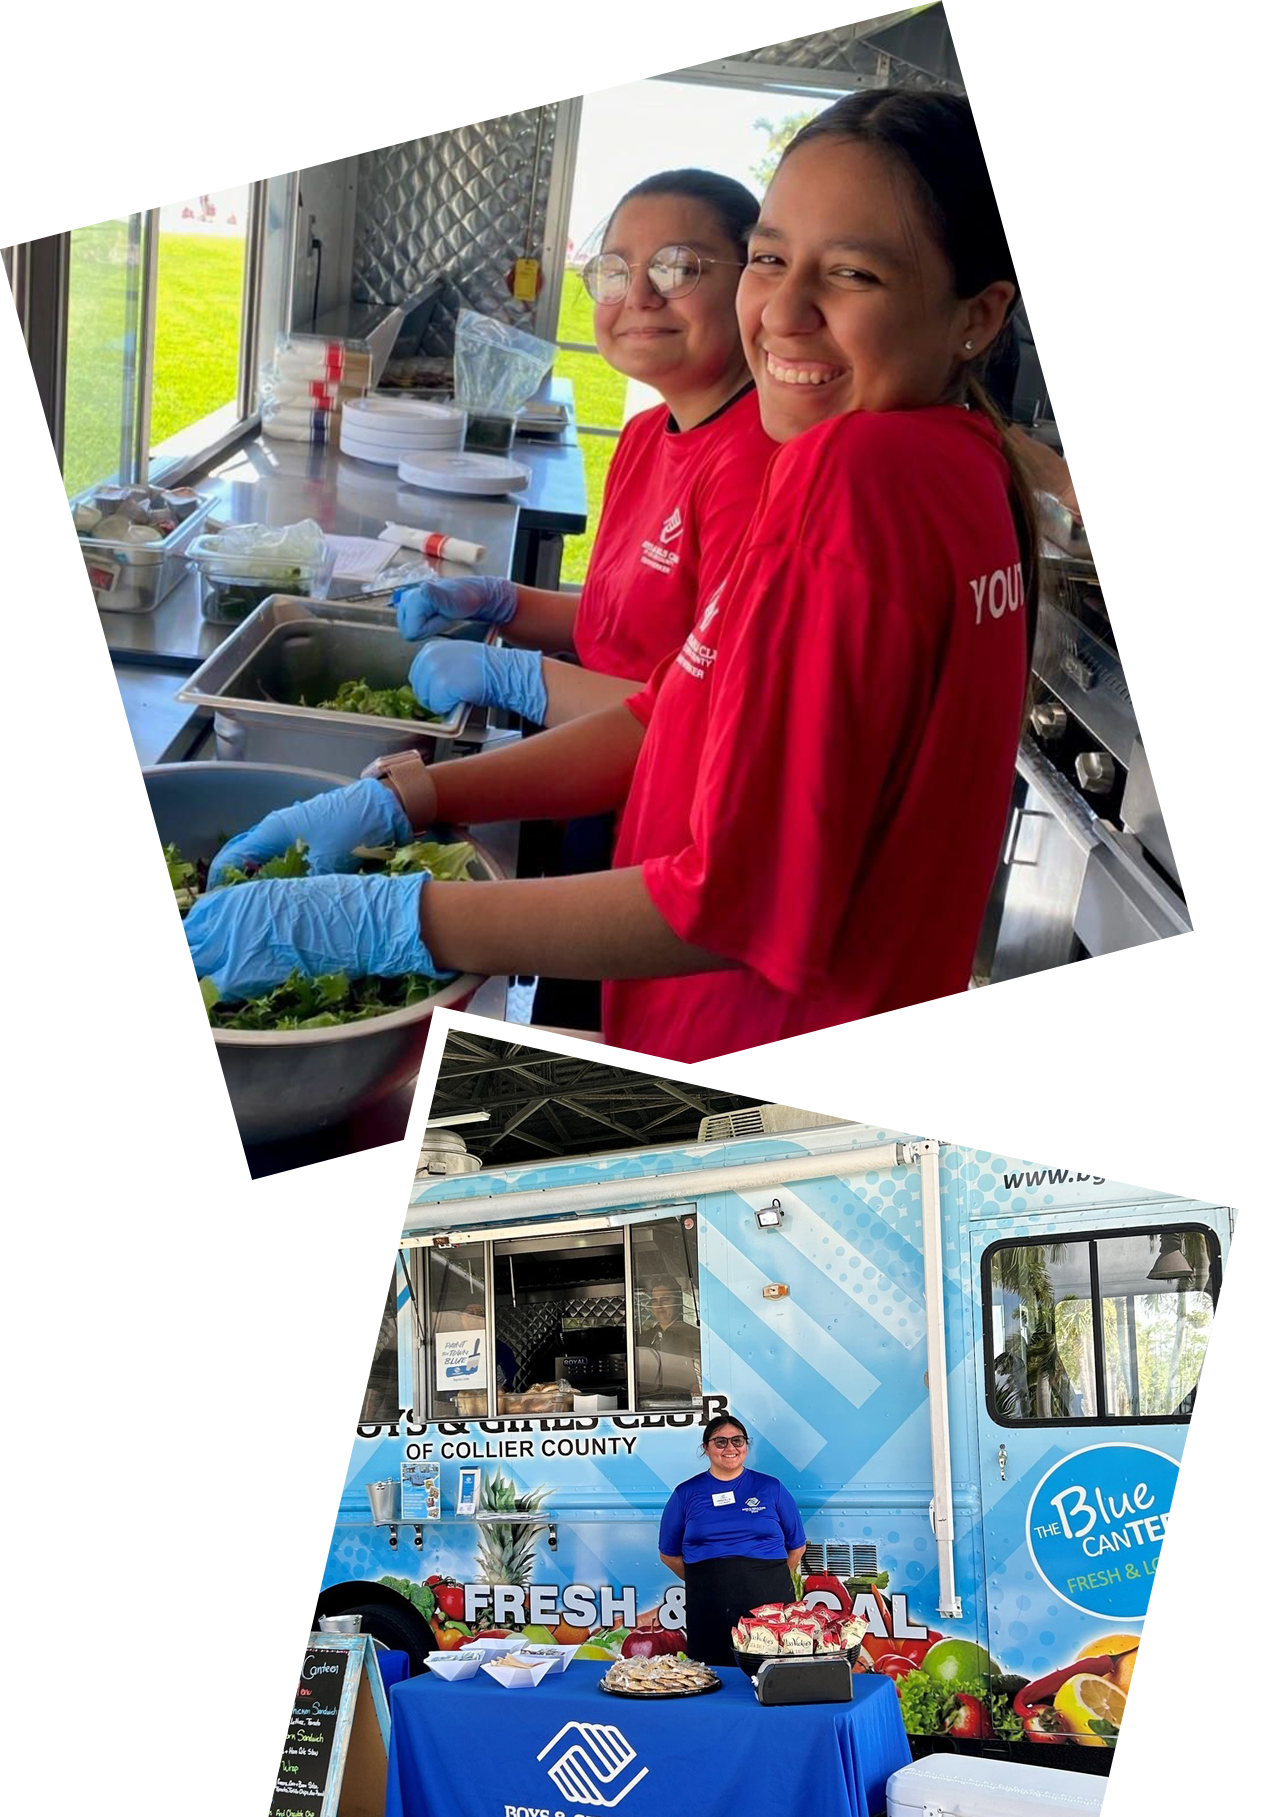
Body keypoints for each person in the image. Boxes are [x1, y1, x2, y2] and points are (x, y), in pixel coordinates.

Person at [162, 89, 1035, 1119]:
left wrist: (391, 917)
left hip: (741, 1104)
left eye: (850, 273)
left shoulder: (853, 476)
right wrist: (420, 800)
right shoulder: (959, 469)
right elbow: (682, 716)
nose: (786, 311)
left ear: (976, 314)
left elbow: (723, 904)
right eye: (770, 257)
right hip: (813, 1082)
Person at [393, 167, 776, 733]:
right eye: (616, 271)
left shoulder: (759, 466)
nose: (640, 296)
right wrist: (501, 602)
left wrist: (516, 678)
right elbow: (618, 631)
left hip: (657, 796)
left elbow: (708, 722)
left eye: (677, 268)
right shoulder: (647, 434)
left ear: (754, 285)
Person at [971, 64, 1160, 536]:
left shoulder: (981, 238)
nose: (1053, 191)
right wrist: (1064, 477)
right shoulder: (932, 235)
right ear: (1003, 135)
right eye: (1051, 167)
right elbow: (950, 409)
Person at [658, 1414, 805, 1667]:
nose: (730, 1448)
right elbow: (668, 1553)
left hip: (768, 1601)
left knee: (774, 1674)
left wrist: (769, 1577)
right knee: (712, 1675)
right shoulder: (686, 1493)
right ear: (706, 1448)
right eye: (720, 1442)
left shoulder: (771, 1488)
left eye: (737, 1441)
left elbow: (797, 1545)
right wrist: (704, 1578)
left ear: (746, 1445)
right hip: (708, 1603)